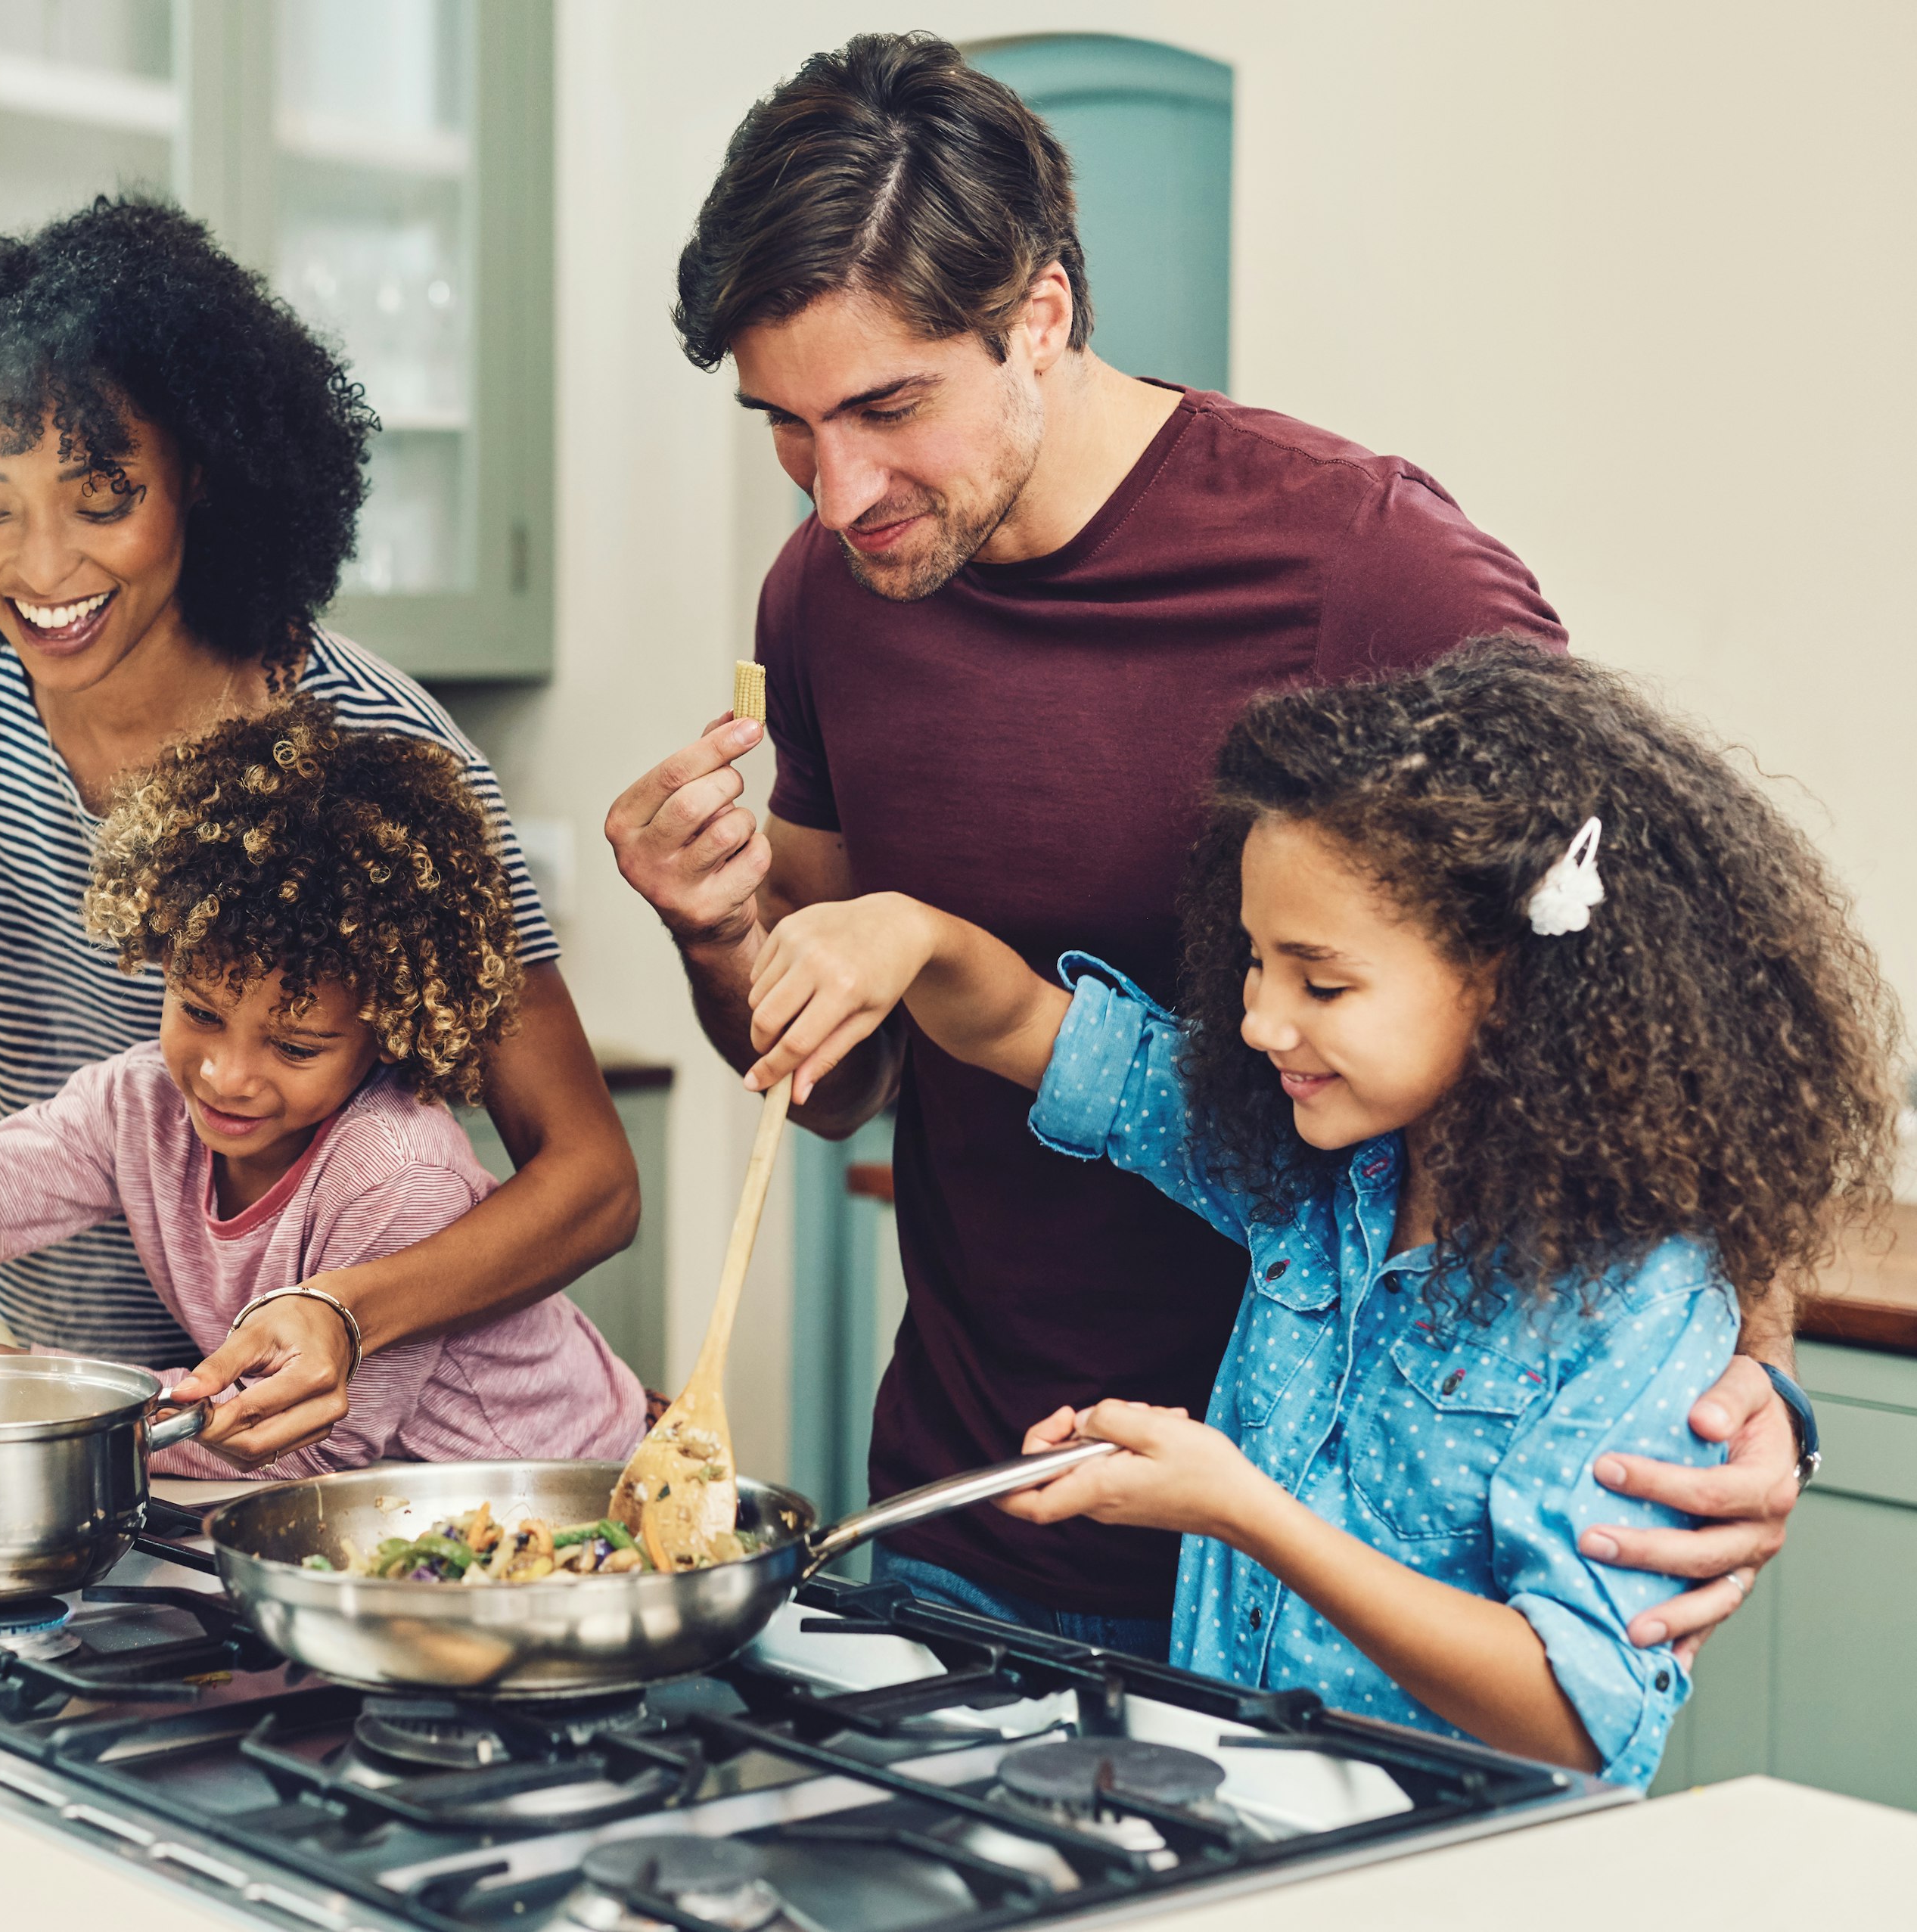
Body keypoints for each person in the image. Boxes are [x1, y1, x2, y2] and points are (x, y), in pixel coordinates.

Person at [606, 33, 1802, 1654]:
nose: (839, 491)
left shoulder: (1371, 568)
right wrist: (713, 931)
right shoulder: (828, 598)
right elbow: (840, 1090)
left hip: (1366, 1584)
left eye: (888, 407)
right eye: (786, 426)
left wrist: (1763, 1374)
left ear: (1041, 313)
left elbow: (1669, 991)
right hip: (978, 1512)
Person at [736, 645, 1900, 1785]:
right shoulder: (1305, 1169)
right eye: (1252, 962)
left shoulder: (1637, 1299)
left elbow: (1573, 1711)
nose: (1260, 1021)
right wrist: (912, 933)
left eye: (1320, 981)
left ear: (1501, 980)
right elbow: (1027, 1030)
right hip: (1248, 1813)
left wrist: (1244, 1510)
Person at [0, 197, 638, 1465]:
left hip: (311, 1444)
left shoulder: (379, 755)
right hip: (86, 1421)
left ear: (203, 478)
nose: (43, 563)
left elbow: (592, 1179)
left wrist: (344, 1309)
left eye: (103, 493)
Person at [0, 700, 646, 1480]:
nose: (226, 1074)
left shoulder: (398, 1171)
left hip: (556, 1477)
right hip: (392, 1492)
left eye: (294, 1046)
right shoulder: (140, 1107)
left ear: (388, 1028)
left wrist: (43, 1394)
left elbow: (308, 1443)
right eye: (199, 1011)